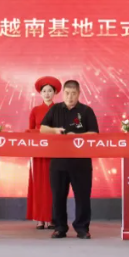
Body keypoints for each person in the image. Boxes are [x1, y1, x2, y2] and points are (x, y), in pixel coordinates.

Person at [40, 80, 99, 239]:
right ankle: (60, 227)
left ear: (78, 94)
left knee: (82, 197)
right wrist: (55, 131)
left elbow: (94, 133)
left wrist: (77, 136)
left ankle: (82, 228)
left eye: (73, 93)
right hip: (58, 161)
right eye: (67, 93)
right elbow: (43, 129)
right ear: (63, 93)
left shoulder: (86, 111)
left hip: (81, 162)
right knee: (58, 196)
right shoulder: (55, 109)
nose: (70, 97)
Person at [27, 76, 61, 229]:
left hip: (55, 153)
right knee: (39, 185)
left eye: (50, 91)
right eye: (44, 91)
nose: (47, 94)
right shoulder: (35, 110)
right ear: (40, 93)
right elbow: (30, 131)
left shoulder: (60, 109)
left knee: (53, 185)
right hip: (38, 153)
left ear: (55, 93)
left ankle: (51, 218)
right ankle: (40, 218)